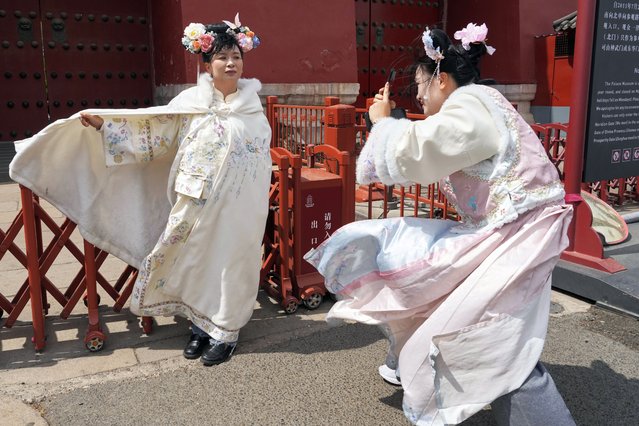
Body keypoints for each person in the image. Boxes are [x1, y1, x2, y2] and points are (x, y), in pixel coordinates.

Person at [304, 23, 576, 425]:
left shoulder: (473, 105)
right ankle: (409, 361)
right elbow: (428, 148)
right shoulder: (477, 105)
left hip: (519, 235)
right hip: (505, 232)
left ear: (441, 80)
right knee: (418, 268)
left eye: (420, 83)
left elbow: (420, 148)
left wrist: (381, 123)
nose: (417, 93)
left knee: (499, 339)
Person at [10, 15, 270, 366]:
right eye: (222, 56)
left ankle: (225, 332)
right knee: (193, 263)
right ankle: (199, 325)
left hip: (236, 211)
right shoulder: (190, 103)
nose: (231, 63)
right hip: (192, 201)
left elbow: (257, 165)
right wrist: (106, 127)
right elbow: (155, 138)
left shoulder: (254, 111)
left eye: (236, 56)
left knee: (228, 265)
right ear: (207, 63)